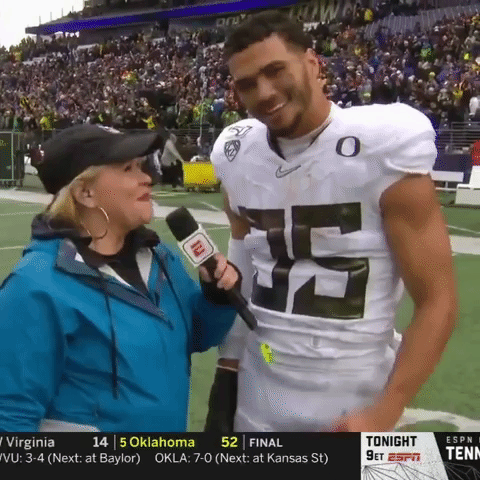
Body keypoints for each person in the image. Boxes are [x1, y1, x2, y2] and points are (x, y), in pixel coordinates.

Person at [205, 11, 457, 433]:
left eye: (275, 71)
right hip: (259, 387)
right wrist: (228, 366)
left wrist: (385, 411)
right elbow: (244, 258)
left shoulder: (380, 145)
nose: (264, 92)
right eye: (247, 84)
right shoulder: (237, 153)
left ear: (313, 63)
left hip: (353, 400)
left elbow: (438, 301)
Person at [0, 124, 240, 432]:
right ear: (85, 192)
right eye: (128, 168)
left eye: (141, 165)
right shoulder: (36, 286)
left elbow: (195, 335)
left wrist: (215, 297)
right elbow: (11, 416)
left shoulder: (160, 257)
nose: (147, 178)